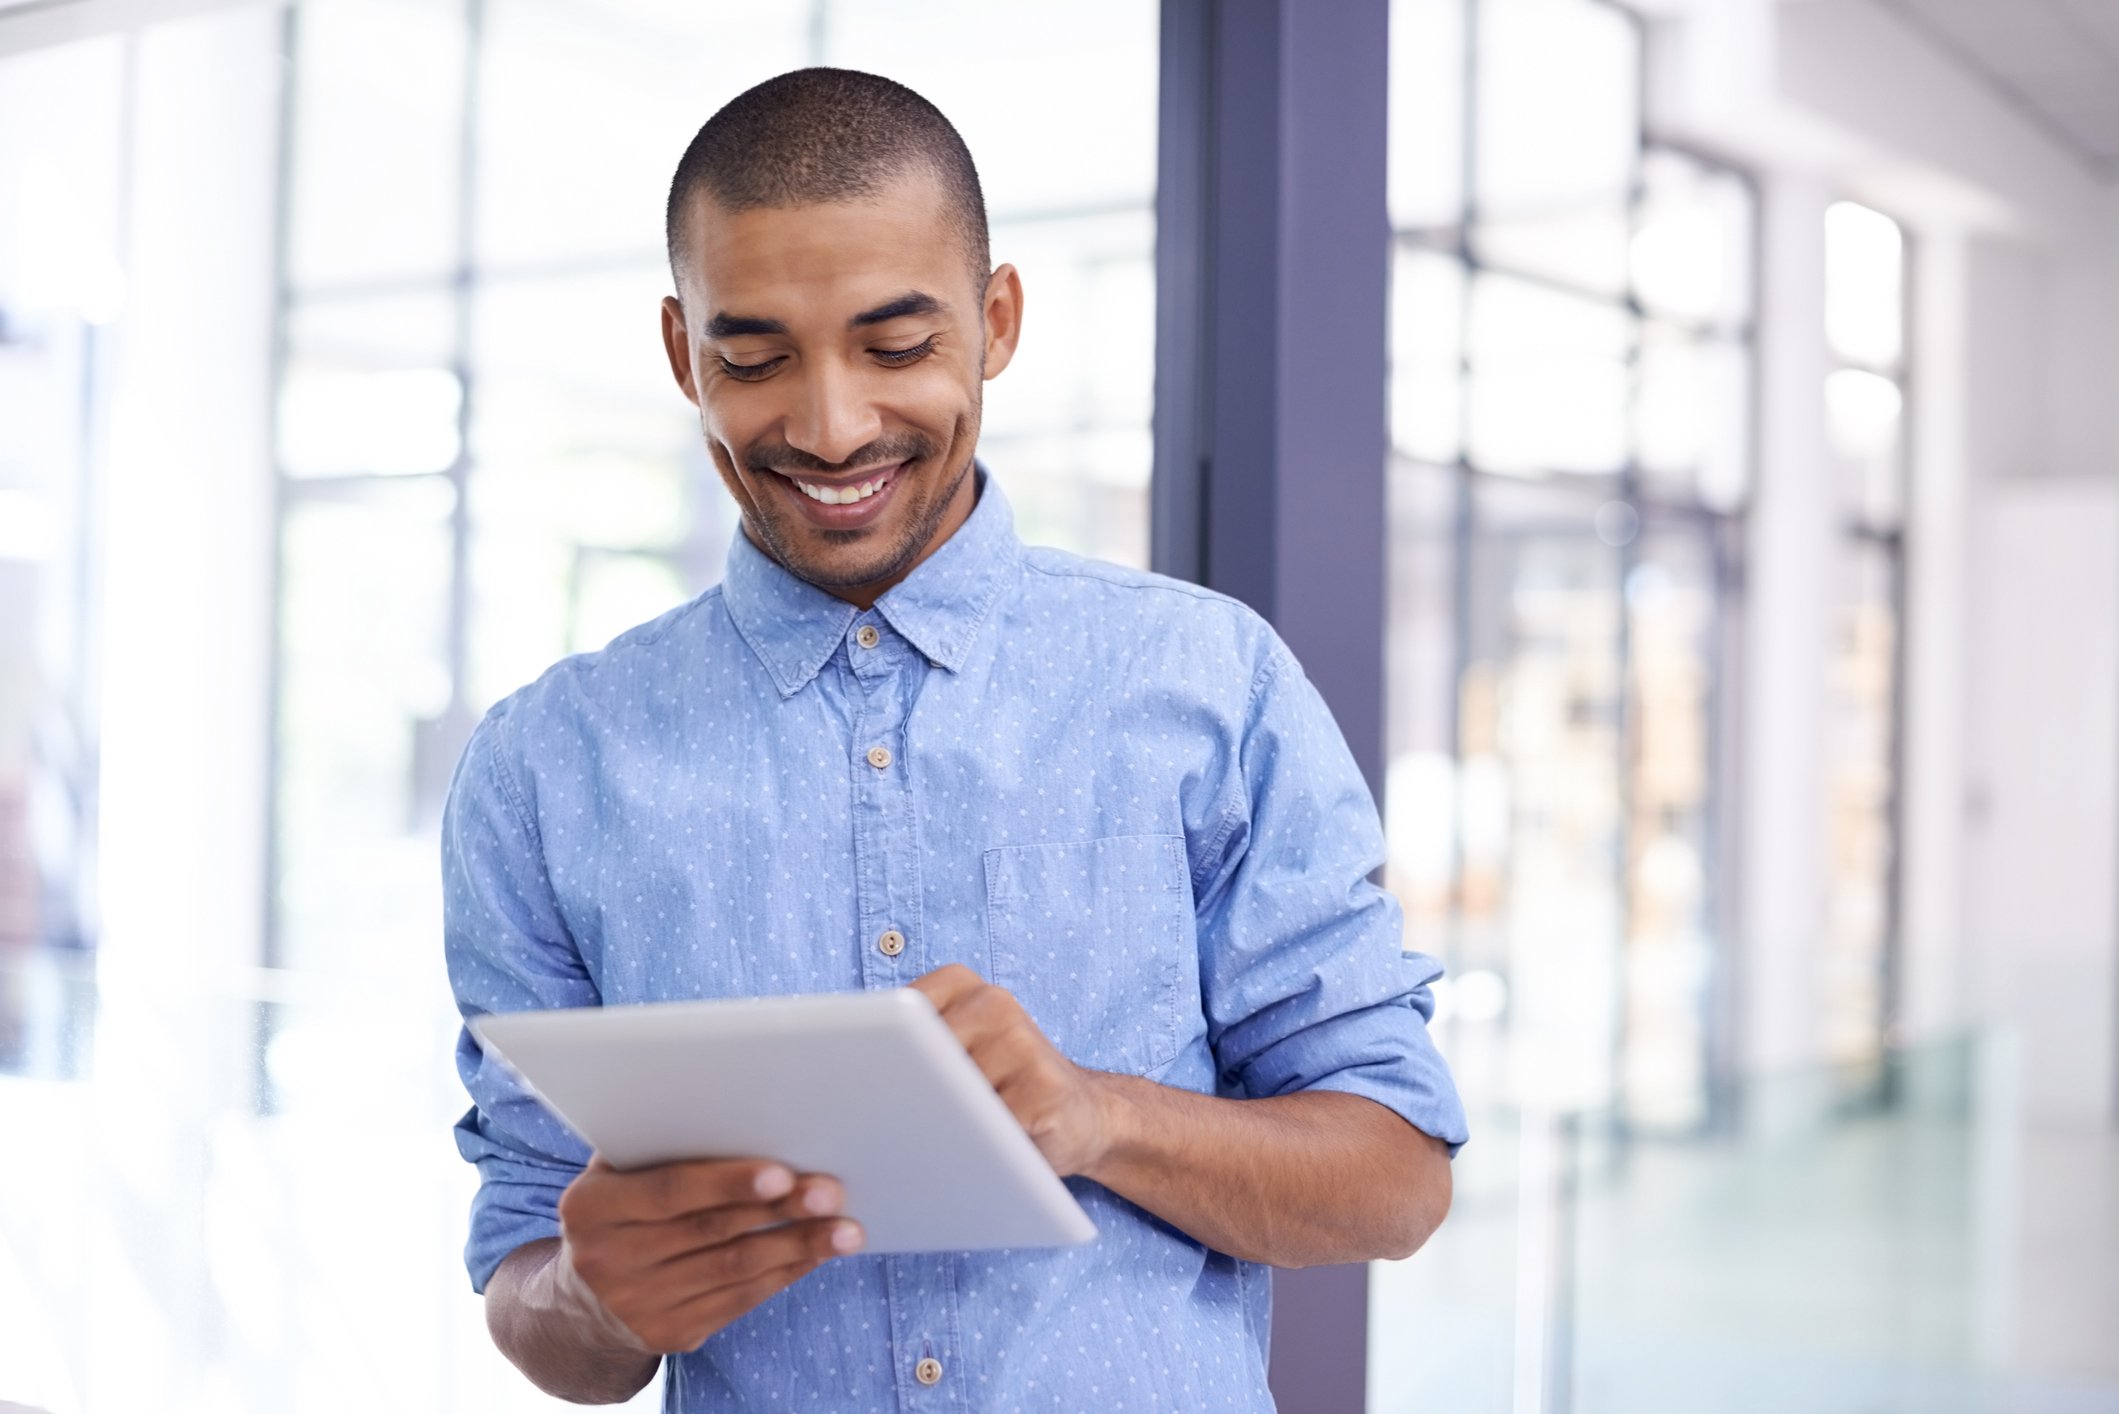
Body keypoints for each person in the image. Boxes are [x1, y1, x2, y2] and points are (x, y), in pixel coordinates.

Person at [444, 66, 1467, 1411]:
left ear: (995, 322)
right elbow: (533, 1273)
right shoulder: (544, 769)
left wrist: (1099, 1117)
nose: (830, 424)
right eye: (754, 356)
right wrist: (590, 1298)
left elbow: (1396, 1178)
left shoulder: (1211, 684)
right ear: (685, 354)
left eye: (894, 344)